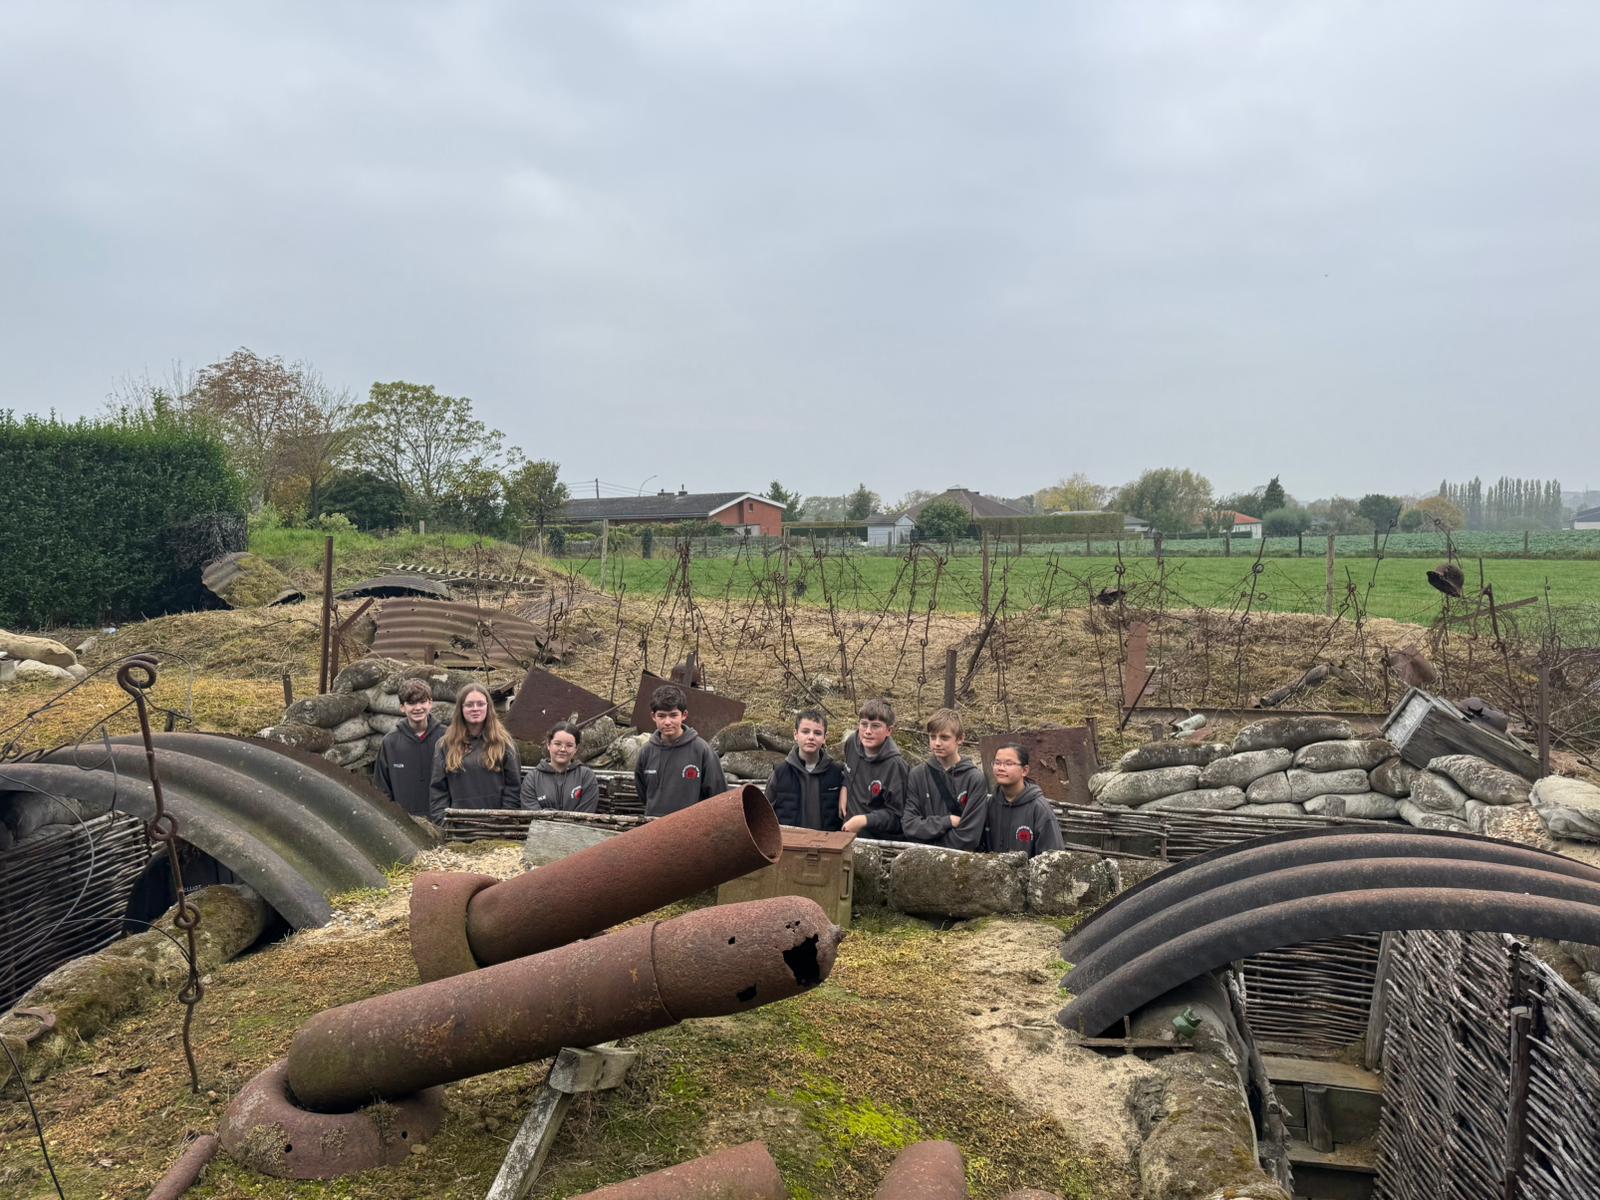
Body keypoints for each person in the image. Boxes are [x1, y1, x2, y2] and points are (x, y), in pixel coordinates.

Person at [428, 683, 521, 823]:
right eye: (469, 705)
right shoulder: (445, 745)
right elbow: (438, 791)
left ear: (488, 707)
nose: (475, 708)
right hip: (458, 827)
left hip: (497, 827)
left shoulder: (504, 743)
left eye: (480, 704)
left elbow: (513, 788)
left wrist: (503, 821)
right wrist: (444, 823)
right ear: (461, 708)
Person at [901, 708, 989, 850]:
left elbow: (969, 836)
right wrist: (946, 821)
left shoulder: (974, 779)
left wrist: (931, 846)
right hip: (922, 856)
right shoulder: (917, 775)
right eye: (932, 737)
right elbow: (909, 826)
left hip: (958, 858)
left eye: (944, 738)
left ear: (960, 739)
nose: (937, 743)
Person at [634, 683, 726, 817]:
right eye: (661, 716)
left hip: (692, 826)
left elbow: (718, 794)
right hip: (654, 826)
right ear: (653, 716)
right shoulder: (646, 752)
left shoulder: (701, 750)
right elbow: (643, 792)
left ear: (684, 715)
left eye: (673, 715)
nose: (667, 722)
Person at [372, 678, 444, 821]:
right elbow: (381, 789)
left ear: (430, 703)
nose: (418, 708)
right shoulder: (390, 742)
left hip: (442, 821)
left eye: (422, 702)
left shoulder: (446, 737)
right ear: (402, 707)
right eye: (411, 703)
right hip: (405, 823)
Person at [840, 697, 909, 839]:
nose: (867, 731)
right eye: (864, 724)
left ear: (889, 730)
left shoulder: (896, 766)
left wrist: (865, 820)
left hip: (878, 840)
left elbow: (898, 816)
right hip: (848, 833)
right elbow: (848, 771)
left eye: (875, 726)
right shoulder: (852, 742)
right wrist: (844, 787)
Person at [766, 709, 844, 831]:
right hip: (789, 842)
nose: (811, 737)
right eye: (805, 732)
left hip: (827, 841)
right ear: (795, 734)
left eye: (817, 733)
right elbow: (765, 815)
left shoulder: (837, 773)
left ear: (825, 738)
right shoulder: (780, 773)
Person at [984, 743, 1063, 858]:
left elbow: (1053, 857)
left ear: (1024, 770)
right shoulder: (990, 804)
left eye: (1008, 763)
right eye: (997, 763)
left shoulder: (1039, 808)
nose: (1000, 768)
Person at [519, 721, 600, 812]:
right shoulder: (532, 779)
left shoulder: (586, 777)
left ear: (576, 749)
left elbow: (585, 814)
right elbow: (531, 813)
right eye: (557, 744)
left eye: (569, 745)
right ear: (548, 745)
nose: (563, 749)